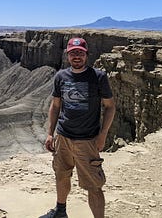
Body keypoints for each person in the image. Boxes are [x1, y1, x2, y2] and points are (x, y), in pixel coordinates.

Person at [40, 37, 116, 218]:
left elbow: (110, 106)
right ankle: (60, 211)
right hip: (63, 137)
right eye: (73, 53)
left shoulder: (98, 77)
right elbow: (56, 106)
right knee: (61, 175)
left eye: (80, 53)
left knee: (94, 185)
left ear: (86, 55)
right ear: (67, 55)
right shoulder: (61, 76)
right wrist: (50, 133)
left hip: (87, 140)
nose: (76, 57)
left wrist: (103, 134)